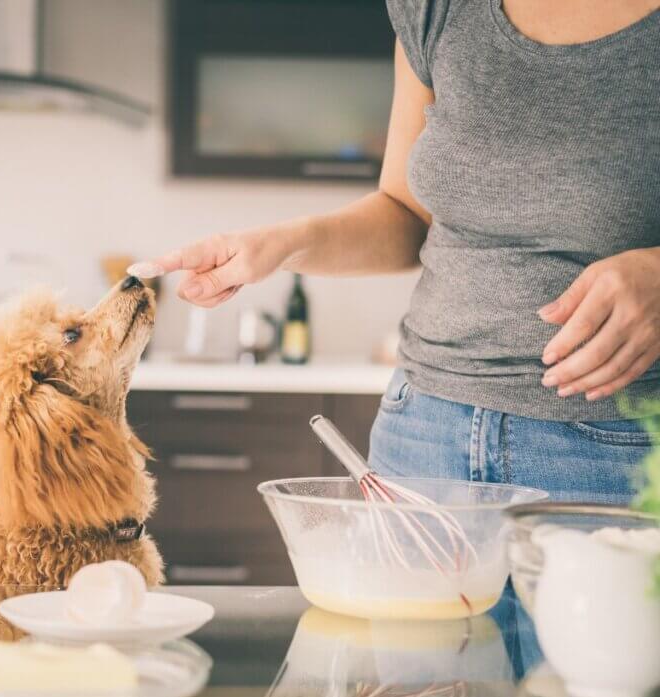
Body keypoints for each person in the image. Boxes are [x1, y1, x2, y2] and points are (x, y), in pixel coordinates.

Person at [143, 0, 660, 505]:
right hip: (422, 434)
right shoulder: (435, 10)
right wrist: (278, 245)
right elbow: (404, 213)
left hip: (617, 449)